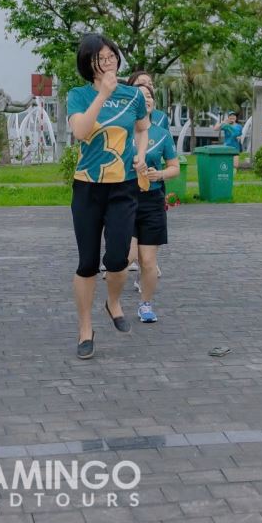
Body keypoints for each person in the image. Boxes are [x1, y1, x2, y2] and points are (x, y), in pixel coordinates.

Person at [65, 34, 149, 359]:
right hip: (87, 187)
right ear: (88, 64)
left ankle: (113, 302)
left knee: (118, 259)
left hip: (123, 186)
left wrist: (140, 154)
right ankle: (85, 329)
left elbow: (142, 128)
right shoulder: (79, 95)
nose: (108, 61)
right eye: (100, 58)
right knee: (87, 262)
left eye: (111, 55)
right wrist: (102, 95)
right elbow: (80, 131)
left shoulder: (133, 95)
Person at [132, 83, 180, 323]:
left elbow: (174, 167)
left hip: (152, 201)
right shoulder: (121, 132)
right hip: (124, 200)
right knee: (125, 257)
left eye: (149, 96)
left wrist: (159, 174)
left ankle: (145, 305)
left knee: (149, 261)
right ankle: (113, 301)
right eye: (141, 96)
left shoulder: (161, 134)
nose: (146, 99)